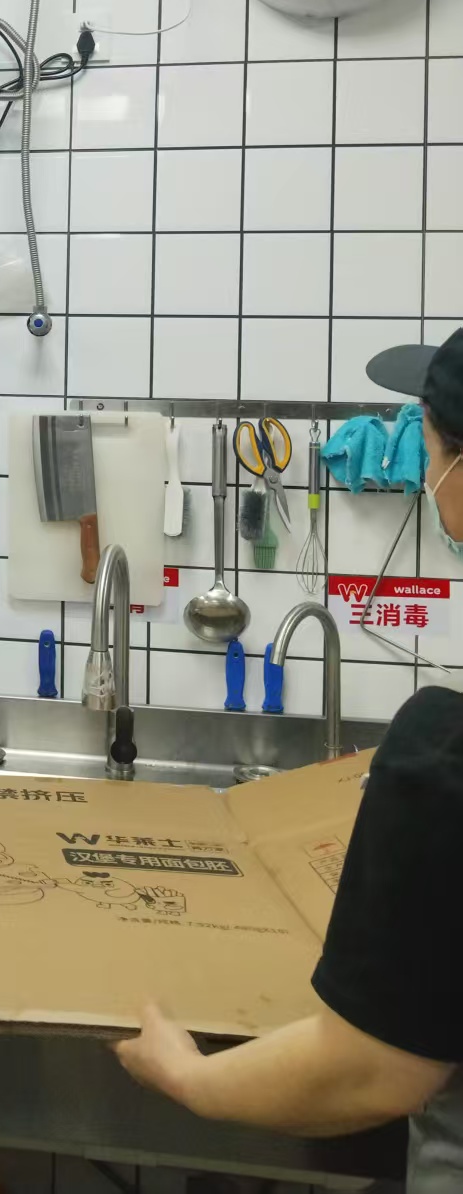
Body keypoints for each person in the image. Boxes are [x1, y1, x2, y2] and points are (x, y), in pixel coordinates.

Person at [113, 328, 463, 1192]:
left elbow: (366, 1070)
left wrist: (188, 1078)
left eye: (426, 446)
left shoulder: (443, 757)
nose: (425, 472)